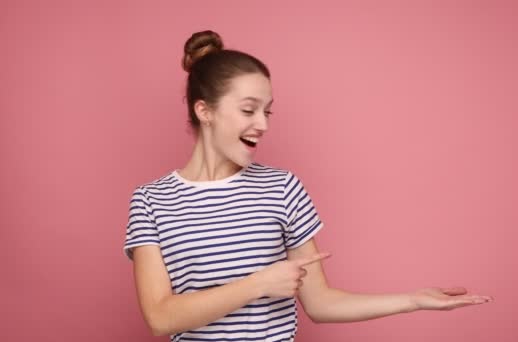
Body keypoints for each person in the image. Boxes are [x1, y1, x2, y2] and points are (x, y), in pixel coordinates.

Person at [123, 30, 494, 342]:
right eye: (248, 110)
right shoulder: (152, 201)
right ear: (205, 111)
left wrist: (413, 300)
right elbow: (161, 317)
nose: (263, 125)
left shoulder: (282, 188)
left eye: (267, 112)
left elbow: (321, 304)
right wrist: (258, 284)